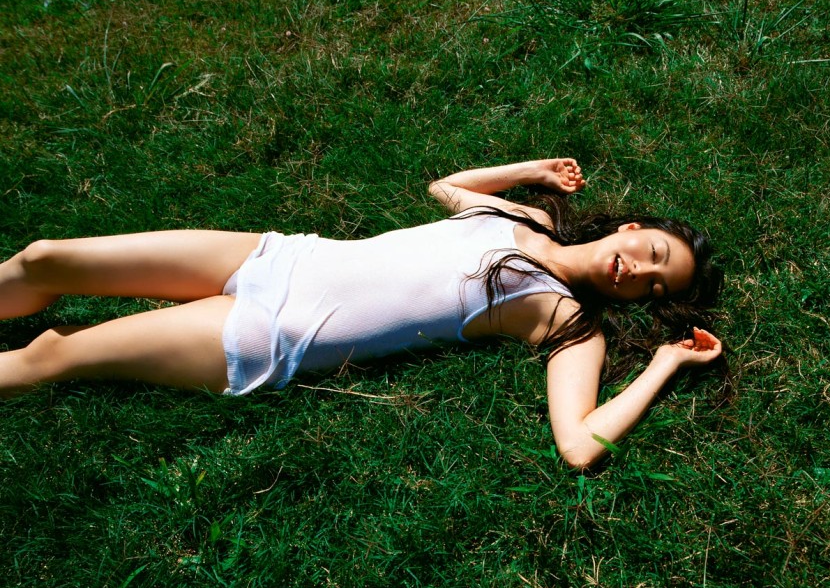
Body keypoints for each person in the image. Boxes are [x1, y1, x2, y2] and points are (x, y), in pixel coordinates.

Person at [0, 159, 723, 468]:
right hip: (278, 257)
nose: (640, 272)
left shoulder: (564, 322)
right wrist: (530, 171)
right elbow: (447, 189)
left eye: (654, 288)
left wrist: (663, 363)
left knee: (53, 354)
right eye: (653, 253)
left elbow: (578, 445)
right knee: (45, 257)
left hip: (270, 336)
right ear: (631, 229)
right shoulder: (526, 217)